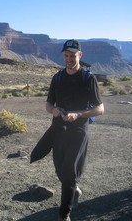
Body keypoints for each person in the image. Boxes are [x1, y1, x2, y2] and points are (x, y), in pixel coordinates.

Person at [45, 39, 104, 221]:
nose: (69, 59)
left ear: (80, 55)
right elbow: (48, 104)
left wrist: (78, 114)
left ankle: (64, 214)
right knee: (60, 171)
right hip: (59, 129)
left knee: (69, 171)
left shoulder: (88, 78)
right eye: (66, 56)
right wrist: (53, 110)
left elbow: (100, 109)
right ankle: (74, 189)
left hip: (79, 129)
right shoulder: (58, 77)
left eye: (72, 55)